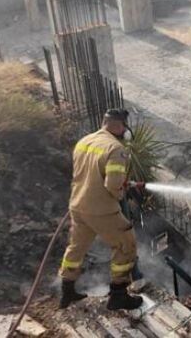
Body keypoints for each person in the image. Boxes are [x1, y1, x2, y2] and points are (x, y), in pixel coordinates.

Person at [58, 108, 143, 310]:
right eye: (125, 127)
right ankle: (119, 295)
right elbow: (112, 185)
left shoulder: (84, 141)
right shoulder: (116, 149)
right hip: (101, 209)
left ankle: (67, 291)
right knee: (126, 244)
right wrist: (121, 192)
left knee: (77, 247)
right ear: (120, 126)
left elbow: (89, 173)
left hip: (78, 205)